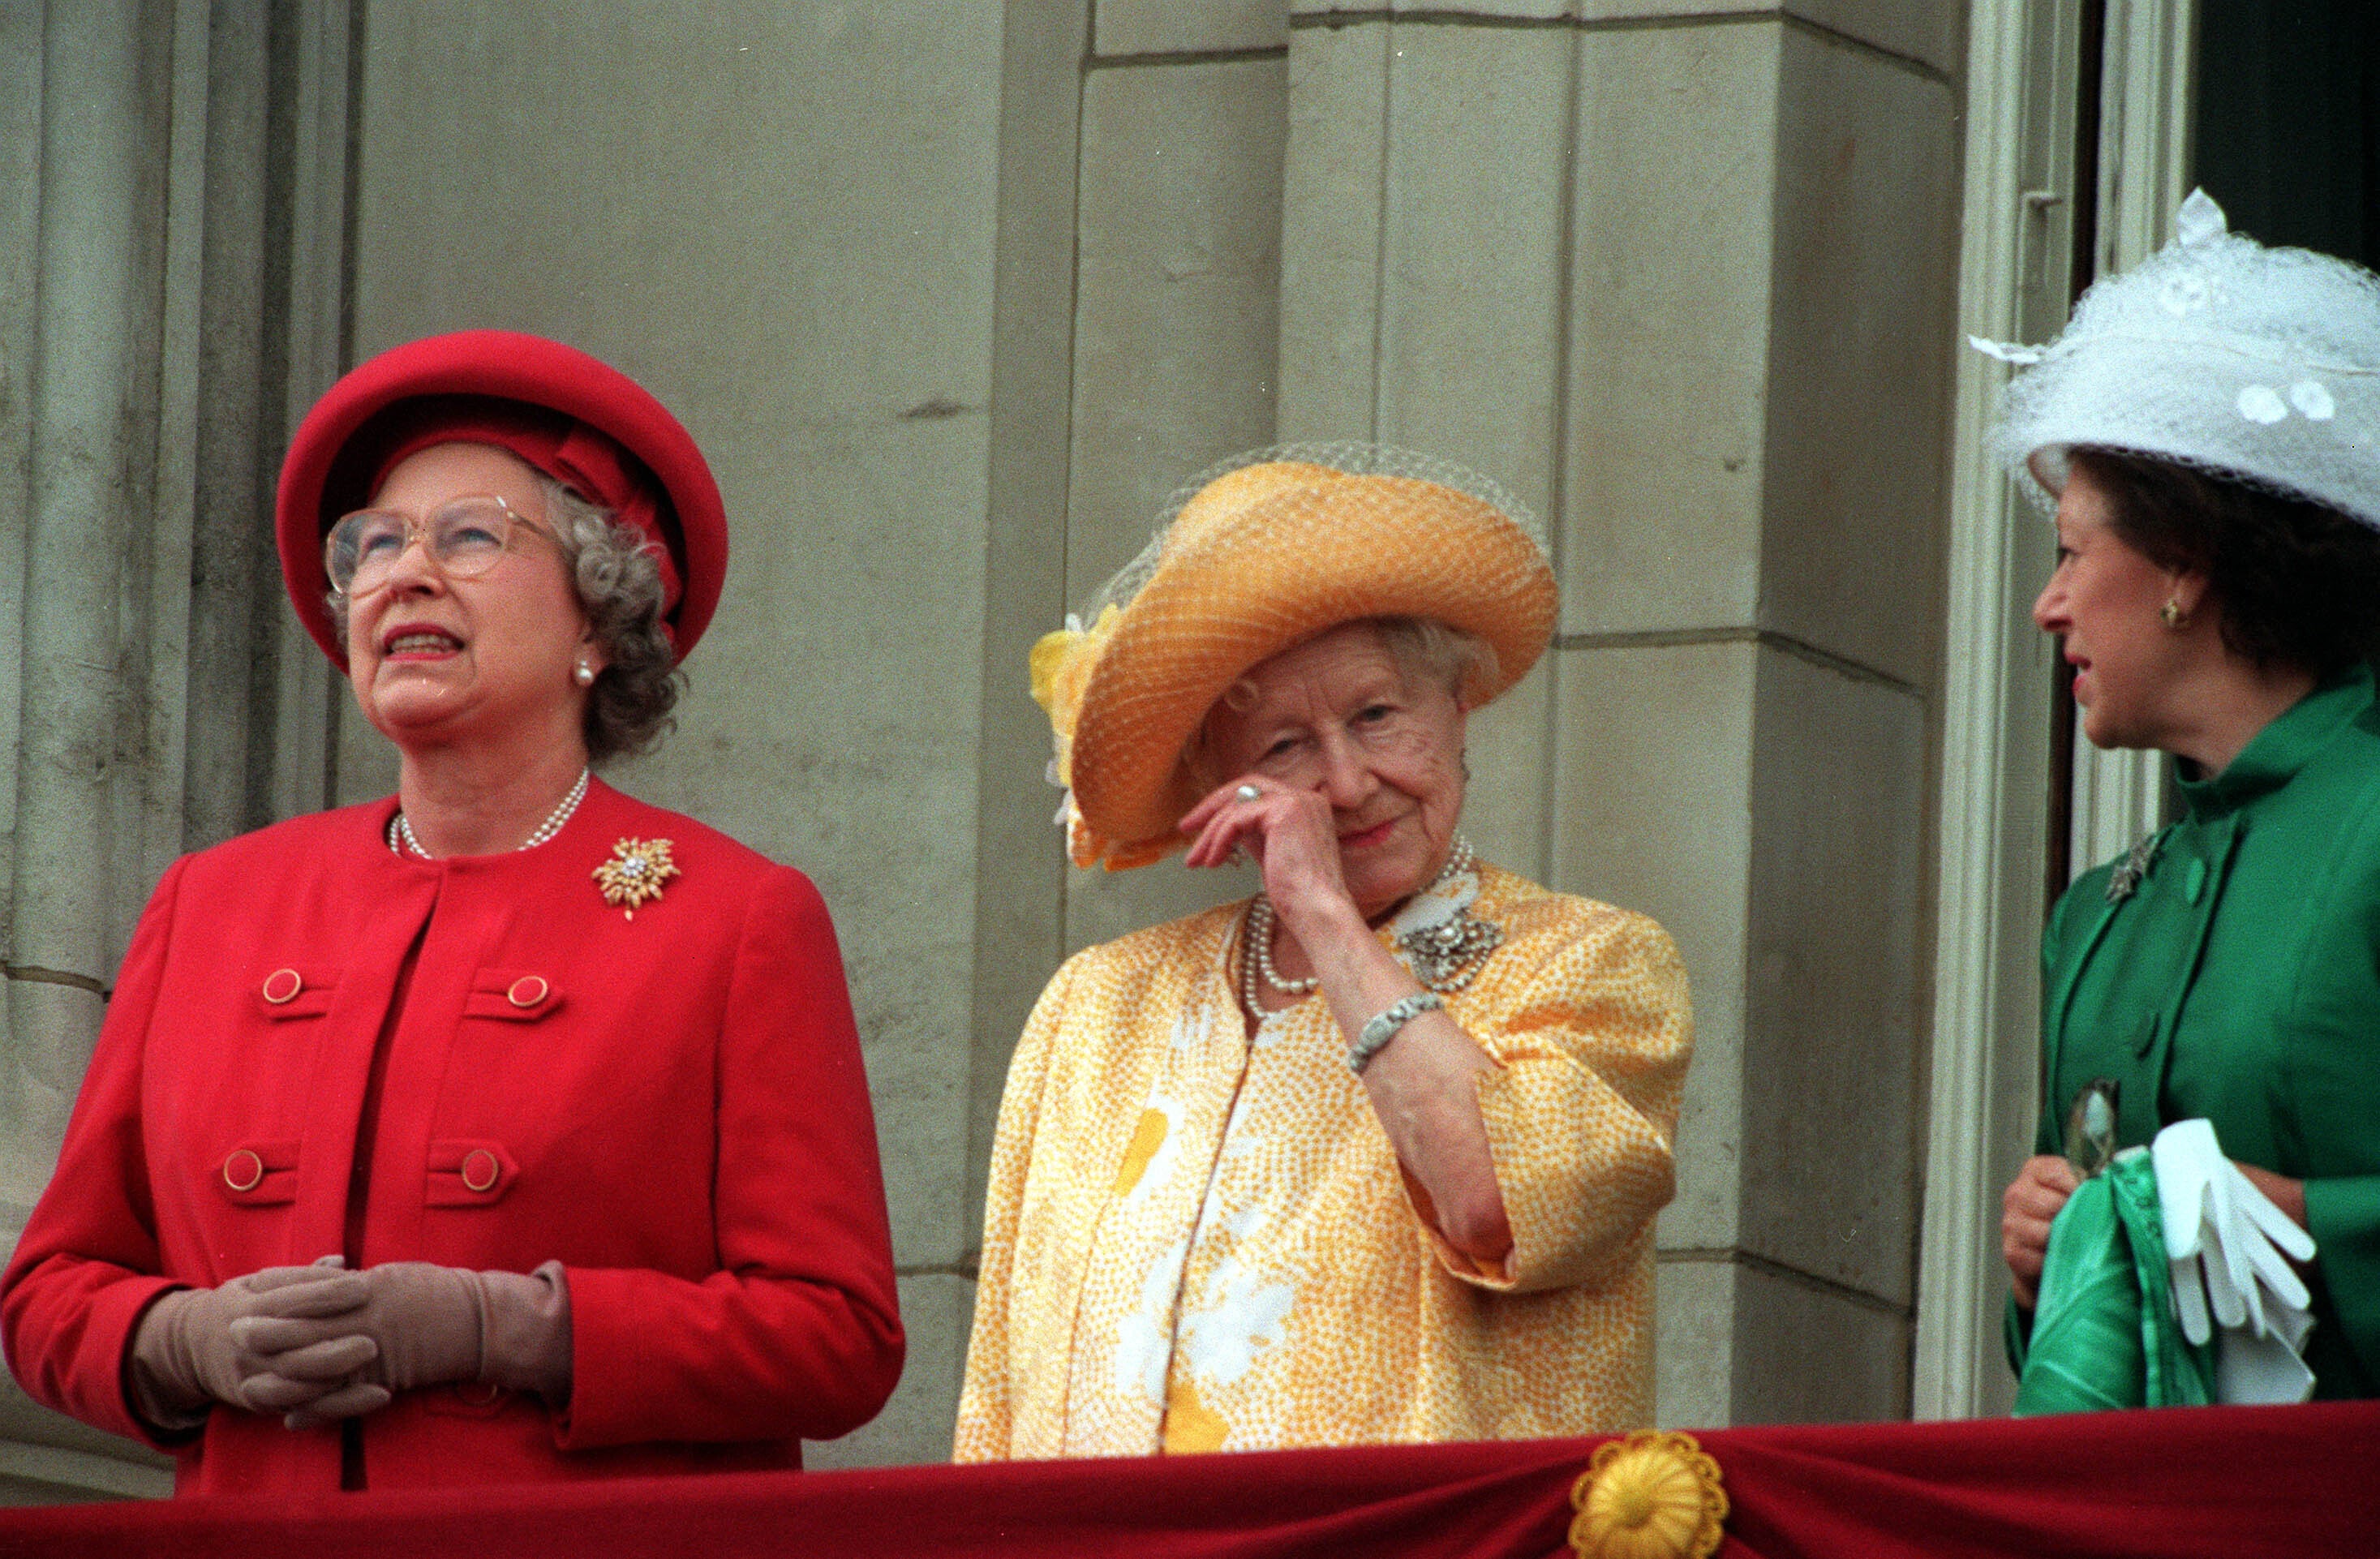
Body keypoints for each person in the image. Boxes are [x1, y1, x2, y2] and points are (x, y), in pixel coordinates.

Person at [0, 331, 904, 1492]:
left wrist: (508, 1328)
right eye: (372, 544)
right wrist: (182, 1342)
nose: (401, 572)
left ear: (598, 617)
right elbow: (50, 1292)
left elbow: (838, 1336)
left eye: (469, 535)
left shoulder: (734, 919)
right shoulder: (213, 903)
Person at [955, 446, 1693, 1458]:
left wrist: (1322, 912)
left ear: (1458, 704)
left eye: (1377, 715)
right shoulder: (1096, 1006)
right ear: (1214, 777)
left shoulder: (1592, 962)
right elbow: (998, 1395)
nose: (1346, 783)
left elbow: (1495, 1203)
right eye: (1284, 747)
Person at [1990, 191, 2380, 1398]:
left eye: (2070, 550)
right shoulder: (2097, 913)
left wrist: (2300, 1219)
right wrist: (2052, 1253)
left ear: (2186, 563)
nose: (2050, 604)